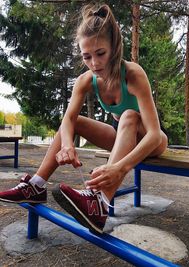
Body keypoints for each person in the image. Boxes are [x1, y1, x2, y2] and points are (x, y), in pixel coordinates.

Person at [0, 4, 168, 234]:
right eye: (86, 56)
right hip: (122, 134)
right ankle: (36, 186)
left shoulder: (133, 74)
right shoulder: (86, 80)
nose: (94, 63)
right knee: (75, 120)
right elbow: (68, 119)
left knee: (129, 115)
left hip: (153, 140)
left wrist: (119, 168)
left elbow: (154, 134)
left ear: (114, 47)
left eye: (100, 53)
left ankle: (99, 204)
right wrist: (67, 145)